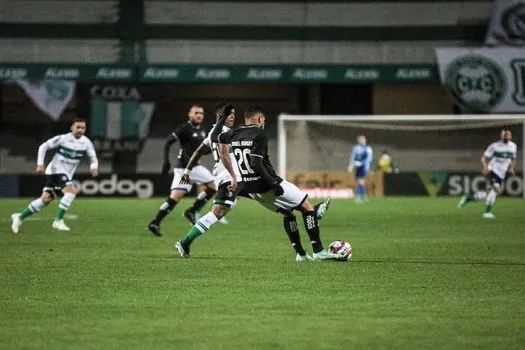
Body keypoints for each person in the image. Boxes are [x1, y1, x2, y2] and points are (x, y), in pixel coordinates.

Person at [195, 105, 334, 262]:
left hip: (252, 189)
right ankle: (318, 250)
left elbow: (214, 138)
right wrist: (274, 184)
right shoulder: (259, 134)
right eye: (264, 120)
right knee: (307, 208)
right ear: (260, 119)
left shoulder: (234, 133)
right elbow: (255, 163)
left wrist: (221, 120)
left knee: (288, 213)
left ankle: (301, 254)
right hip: (267, 183)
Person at [174, 103, 242, 257]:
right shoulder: (222, 131)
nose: (232, 116)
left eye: (233, 114)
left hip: (232, 177)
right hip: (228, 177)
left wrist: (187, 169)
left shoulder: (213, 132)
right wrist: (232, 176)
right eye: (229, 114)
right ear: (219, 116)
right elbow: (224, 155)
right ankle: (185, 242)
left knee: (219, 212)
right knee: (217, 212)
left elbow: (199, 151)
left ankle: (185, 240)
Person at [10, 119, 99, 233]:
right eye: (78, 127)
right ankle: (58, 221)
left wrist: (94, 166)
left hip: (66, 174)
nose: (80, 130)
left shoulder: (86, 143)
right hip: (55, 171)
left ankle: (19, 217)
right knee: (71, 191)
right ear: (72, 128)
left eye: (83, 128)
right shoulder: (63, 139)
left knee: (46, 199)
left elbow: (93, 157)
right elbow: (43, 146)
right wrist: (40, 164)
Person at [147, 105, 218, 236]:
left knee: (212, 187)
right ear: (189, 114)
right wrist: (166, 161)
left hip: (193, 168)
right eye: (196, 113)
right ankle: (159, 221)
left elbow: (200, 150)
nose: (199, 115)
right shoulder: (184, 129)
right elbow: (168, 141)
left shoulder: (202, 130)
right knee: (178, 197)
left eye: (201, 113)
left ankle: (160, 221)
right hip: (185, 169)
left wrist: (215, 148)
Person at [458, 129, 517, 219]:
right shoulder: (494, 146)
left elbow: (513, 158)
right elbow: (484, 158)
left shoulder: (513, 146)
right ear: (502, 136)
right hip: (492, 170)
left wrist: (511, 168)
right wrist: (485, 167)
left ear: (510, 136)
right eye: (505, 135)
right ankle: (487, 212)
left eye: (508, 135)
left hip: (502, 173)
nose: (506, 137)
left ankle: (468, 199)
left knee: (489, 194)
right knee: (496, 189)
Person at [347, 135, 373, 202]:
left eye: (362, 139)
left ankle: (358, 196)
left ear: (365, 140)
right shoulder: (356, 148)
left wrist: (367, 167)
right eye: (359, 139)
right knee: (360, 181)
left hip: (363, 166)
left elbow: (369, 159)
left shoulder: (368, 148)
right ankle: (364, 196)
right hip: (358, 166)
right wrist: (351, 166)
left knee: (360, 181)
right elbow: (353, 157)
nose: (361, 140)